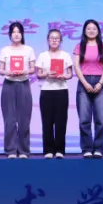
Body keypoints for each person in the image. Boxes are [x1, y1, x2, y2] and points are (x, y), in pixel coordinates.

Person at [73, 19, 103, 159]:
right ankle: (87, 148)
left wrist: (100, 83)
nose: (91, 31)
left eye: (94, 28)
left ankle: (99, 148)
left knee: (100, 119)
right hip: (84, 82)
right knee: (84, 119)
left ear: (98, 31)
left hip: (100, 81)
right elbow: (76, 66)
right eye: (88, 28)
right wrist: (85, 83)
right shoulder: (79, 46)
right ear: (84, 31)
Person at [0, 21, 36, 159]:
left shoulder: (28, 50)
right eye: (13, 32)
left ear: (22, 34)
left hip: (24, 84)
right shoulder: (5, 50)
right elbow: (1, 70)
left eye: (18, 32)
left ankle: (24, 150)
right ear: (9, 35)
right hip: (9, 85)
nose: (16, 34)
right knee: (9, 119)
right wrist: (8, 72)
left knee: (24, 119)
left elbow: (32, 68)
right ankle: (11, 150)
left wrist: (26, 71)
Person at [35, 28, 73, 159]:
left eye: (57, 38)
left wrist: (64, 76)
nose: (54, 40)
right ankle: (48, 150)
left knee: (61, 121)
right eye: (52, 38)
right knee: (47, 121)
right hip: (46, 91)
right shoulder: (42, 55)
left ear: (61, 41)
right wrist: (46, 74)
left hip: (61, 91)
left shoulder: (65, 55)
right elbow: (38, 74)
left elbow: (70, 74)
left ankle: (60, 150)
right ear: (48, 40)